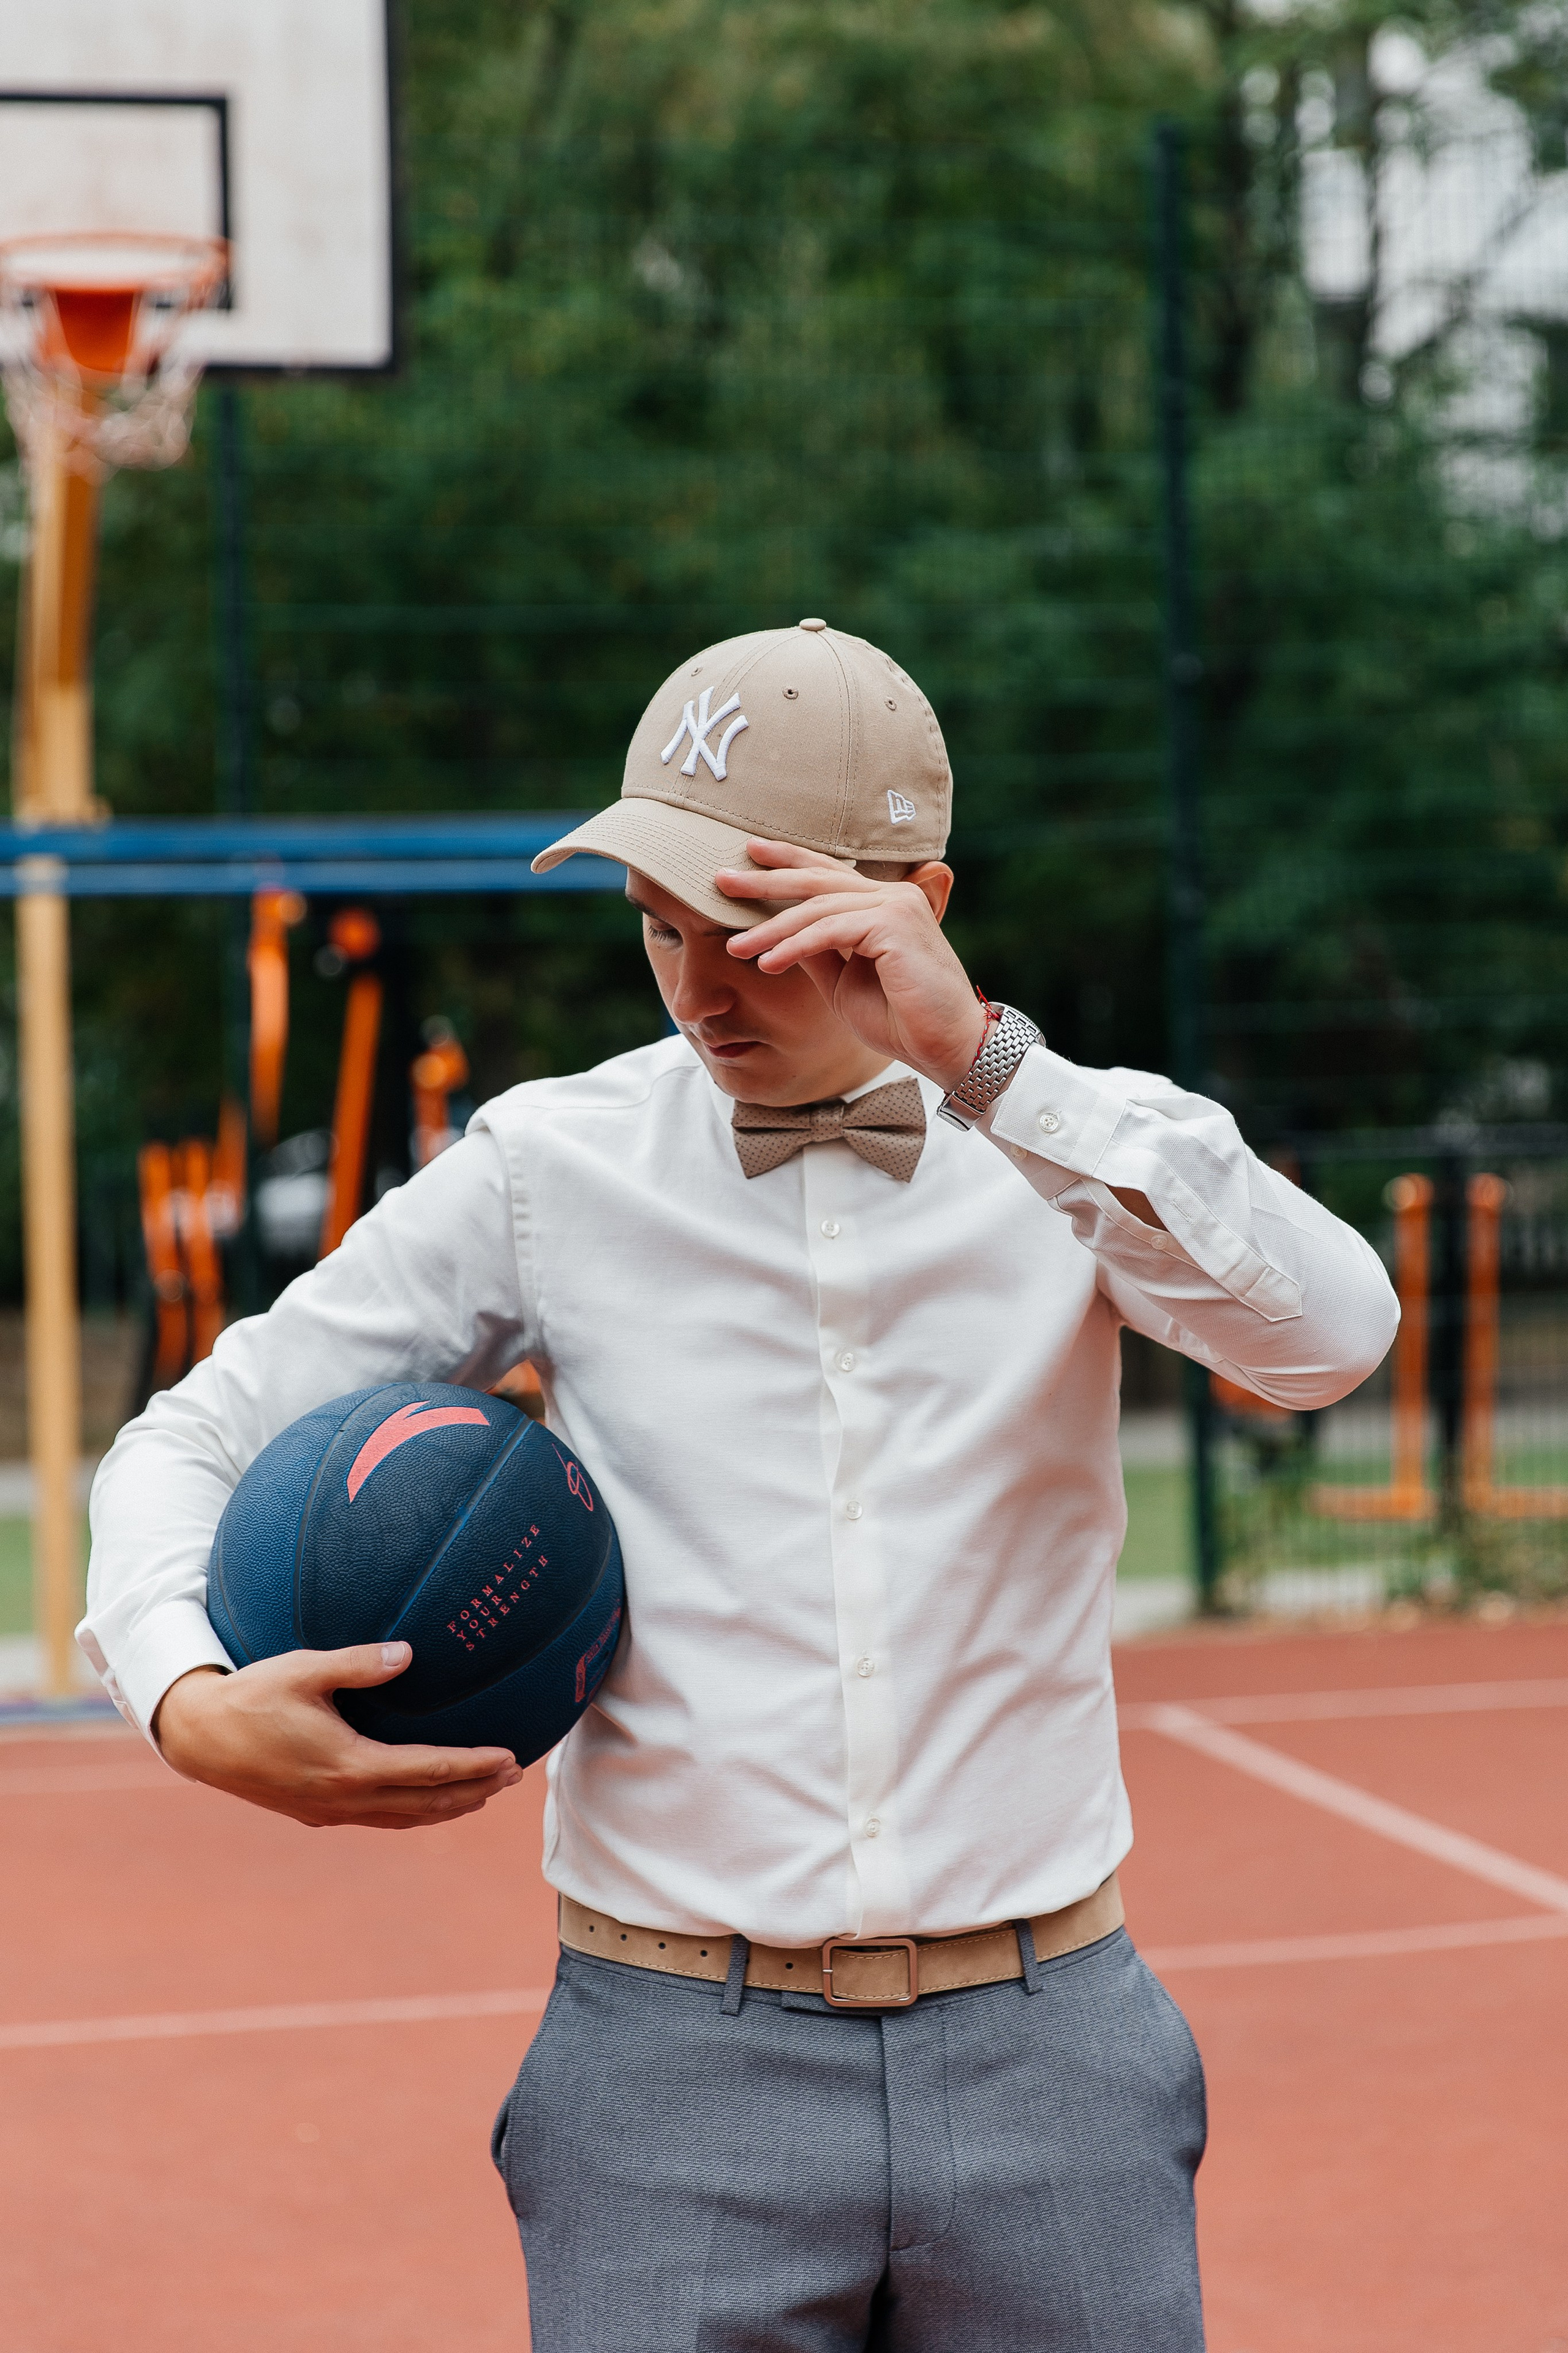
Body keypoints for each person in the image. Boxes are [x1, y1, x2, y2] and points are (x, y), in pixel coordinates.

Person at [83, 619, 1398, 2351]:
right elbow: (193, 1431)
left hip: (1054, 2041)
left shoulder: (1083, 1149)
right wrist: (185, 1695)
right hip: (667, 2061)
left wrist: (992, 1067)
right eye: (657, 928)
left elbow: (1332, 1334)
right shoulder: (552, 1166)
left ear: (912, 900)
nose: (699, 987)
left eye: (753, 935)